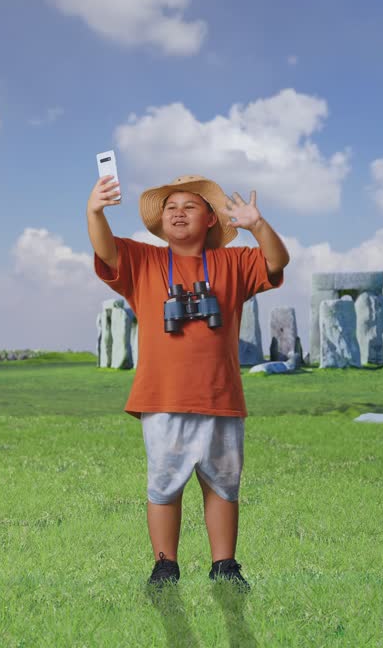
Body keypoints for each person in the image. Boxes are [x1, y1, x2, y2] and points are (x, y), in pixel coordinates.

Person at [87, 173, 290, 589]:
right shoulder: (142, 260)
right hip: (162, 396)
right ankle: (165, 564)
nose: (178, 213)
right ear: (160, 223)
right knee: (164, 483)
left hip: (220, 395)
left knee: (223, 483)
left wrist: (258, 225)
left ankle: (225, 565)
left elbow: (276, 262)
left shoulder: (232, 263)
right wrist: (95, 210)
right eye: (170, 208)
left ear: (212, 219)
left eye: (190, 207)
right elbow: (105, 250)